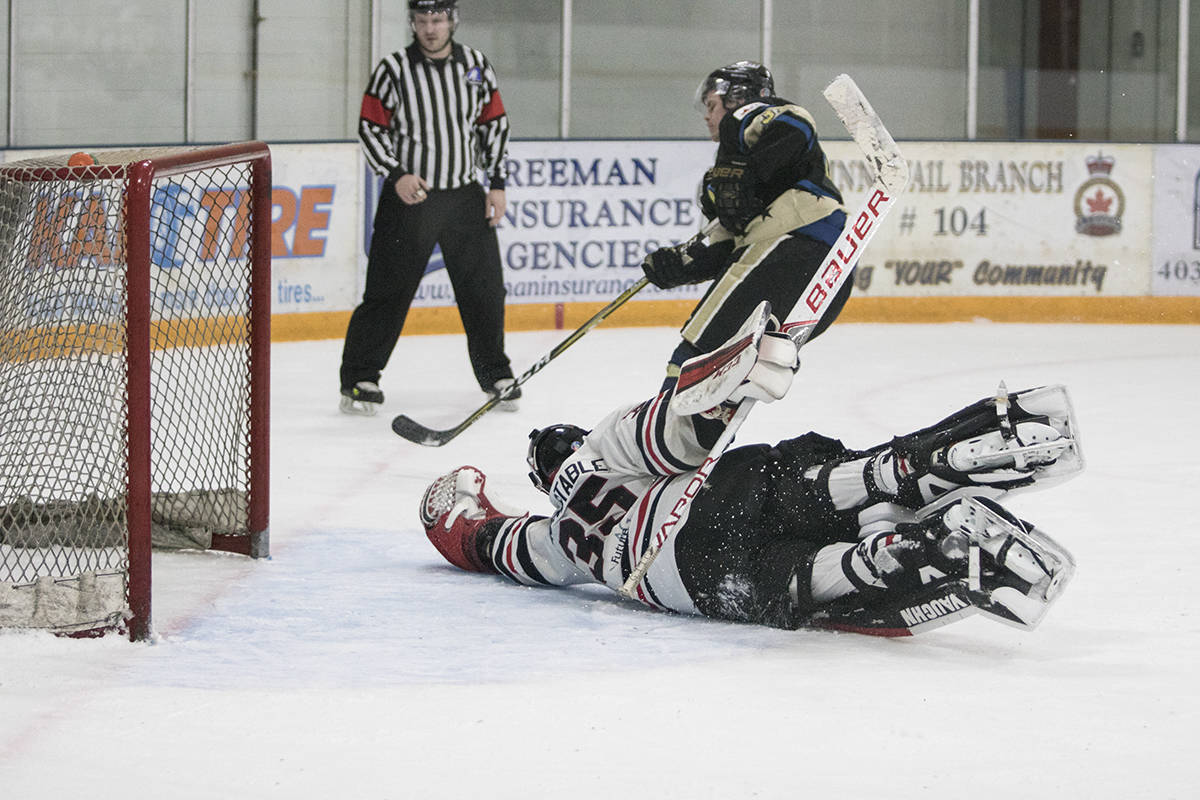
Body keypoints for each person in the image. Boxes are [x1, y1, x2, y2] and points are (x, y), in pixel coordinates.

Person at [417, 307, 1083, 636]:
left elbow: (489, 544)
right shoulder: (602, 444)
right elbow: (675, 430)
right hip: (712, 501)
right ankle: (904, 470)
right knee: (807, 486)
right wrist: (736, 378)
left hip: (695, 581)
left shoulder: (556, 538)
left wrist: (458, 515)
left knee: (800, 579)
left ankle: (893, 554)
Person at [339, 0, 518, 416]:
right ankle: (360, 377)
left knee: (485, 290)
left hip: (463, 197)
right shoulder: (394, 69)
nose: (430, 29)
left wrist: (497, 183)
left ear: (451, 20)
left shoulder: (475, 65)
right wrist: (396, 173)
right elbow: (371, 126)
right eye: (422, 21)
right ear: (413, 23)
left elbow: (493, 125)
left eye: (437, 20)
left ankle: (496, 373)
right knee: (388, 290)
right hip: (411, 197)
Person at [640, 61, 851, 389]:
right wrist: (677, 268)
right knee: (730, 381)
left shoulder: (756, 119)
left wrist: (749, 168)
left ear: (737, 97)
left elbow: (797, 125)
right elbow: (726, 252)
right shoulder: (720, 176)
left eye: (711, 105)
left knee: (694, 361)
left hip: (792, 250)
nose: (707, 116)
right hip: (826, 273)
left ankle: (658, 436)